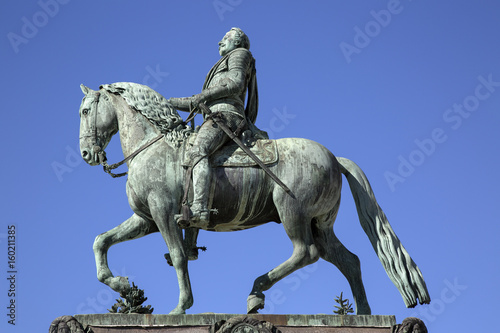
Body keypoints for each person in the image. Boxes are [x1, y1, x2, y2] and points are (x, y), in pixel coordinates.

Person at [168, 27, 259, 227]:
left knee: (198, 150)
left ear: (238, 42)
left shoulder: (240, 54)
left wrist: (204, 96)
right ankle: (190, 241)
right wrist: (168, 102)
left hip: (227, 116)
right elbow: (195, 102)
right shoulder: (222, 62)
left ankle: (199, 208)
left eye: (226, 37)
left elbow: (236, 84)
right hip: (214, 116)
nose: (220, 41)